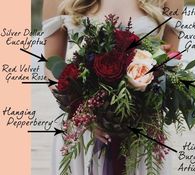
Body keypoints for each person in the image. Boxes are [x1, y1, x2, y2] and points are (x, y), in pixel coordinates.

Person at [42, 0, 183, 174]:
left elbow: (169, 62)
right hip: (82, 125)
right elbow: (51, 65)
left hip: (142, 126)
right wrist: (84, 112)